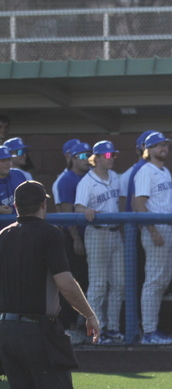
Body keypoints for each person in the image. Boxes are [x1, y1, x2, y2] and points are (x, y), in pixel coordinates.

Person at [0, 180, 100, 389]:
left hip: (5, 328)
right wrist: (89, 314)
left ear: (15, 206)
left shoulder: (3, 235)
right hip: (37, 328)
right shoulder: (49, 234)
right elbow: (66, 283)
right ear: (45, 204)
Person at [74, 141, 124, 345]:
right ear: (96, 158)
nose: (111, 158)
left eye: (113, 155)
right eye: (108, 155)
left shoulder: (115, 177)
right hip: (96, 234)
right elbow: (78, 208)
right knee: (98, 285)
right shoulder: (87, 181)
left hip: (115, 234)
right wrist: (86, 211)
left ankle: (112, 328)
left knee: (119, 283)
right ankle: (97, 331)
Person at [132, 131, 172, 345]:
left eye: (165, 145)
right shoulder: (145, 171)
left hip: (167, 227)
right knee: (154, 281)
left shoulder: (165, 171)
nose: (164, 149)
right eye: (159, 145)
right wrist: (152, 230)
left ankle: (153, 329)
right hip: (155, 230)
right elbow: (139, 204)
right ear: (148, 150)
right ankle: (149, 331)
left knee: (162, 281)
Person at [53, 141, 92, 345]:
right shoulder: (66, 180)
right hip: (72, 238)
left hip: (91, 236)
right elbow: (66, 214)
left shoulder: (91, 177)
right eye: (83, 156)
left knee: (87, 282)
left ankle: (80, 325)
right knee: (73, 282)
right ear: (74, 158)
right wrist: (76, 239)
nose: (88, 160)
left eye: (89, 155)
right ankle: (66, 327)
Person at [0, 146, 28, 214]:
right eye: (3, 160)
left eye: (9, 159)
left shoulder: (18, 174)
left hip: (20, 222)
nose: (8, 163)